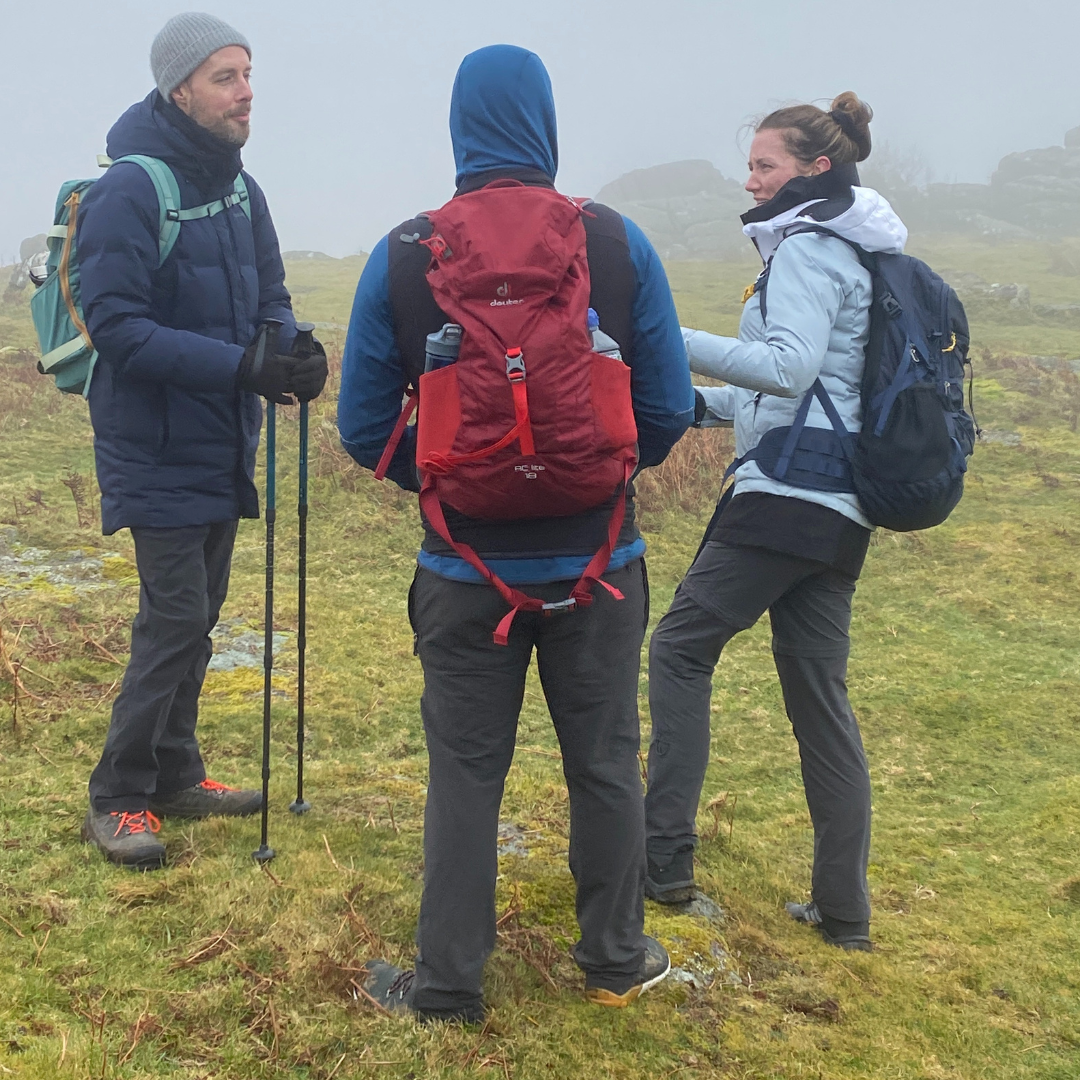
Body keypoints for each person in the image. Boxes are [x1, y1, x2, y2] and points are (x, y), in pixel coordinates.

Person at [339, 45, 693, 1020]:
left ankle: (448, 987)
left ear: (459, 127)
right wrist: (596, 471)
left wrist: (447, 481)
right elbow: (666, 408)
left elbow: (362, 428)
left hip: (461, 574)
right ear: (545, 121)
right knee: (606, 762)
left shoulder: (406, 253)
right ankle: (616, 959)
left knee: (463, 773)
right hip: (603, 569)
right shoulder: (615, 243)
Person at [644, 93, 908, 952]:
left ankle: (661, 862)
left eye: (765, 165)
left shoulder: (807, 248)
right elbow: (798, 391)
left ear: (815, 170)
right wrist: (689, 407)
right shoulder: (855, 254)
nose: (749, 180)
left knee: (679, 650)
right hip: (840, 509)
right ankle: (845, 914)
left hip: (785, 498)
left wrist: (663, 335)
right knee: (818, 698)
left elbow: (789, 372)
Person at [78, 13, 328, 870]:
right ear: (179, 88)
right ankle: (118, 795)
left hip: (224, 437)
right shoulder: (129, 190)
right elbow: (115, 328)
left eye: (249, 73)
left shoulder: (240, 188)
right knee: (176, 618)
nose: (246, 91)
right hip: (151, 441)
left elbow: (273, 293)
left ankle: (175, 773)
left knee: (202, 614)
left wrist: (289, 353)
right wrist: (241, 367)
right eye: (226, 77)